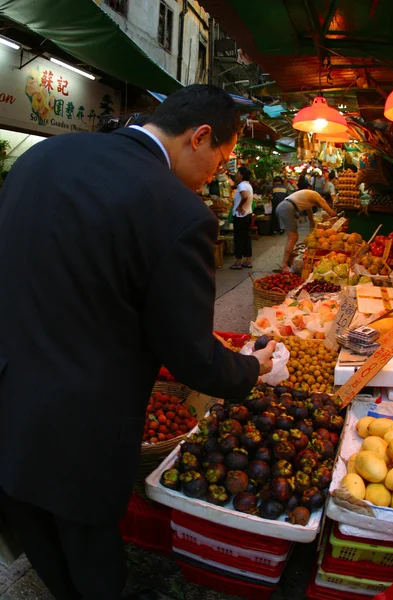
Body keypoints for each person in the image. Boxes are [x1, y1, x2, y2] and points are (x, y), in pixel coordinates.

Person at [0, 84, 276, 600]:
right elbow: (190, 354)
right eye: (219, 163)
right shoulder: (179, 211)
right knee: (93, 563)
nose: (214, 176)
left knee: (39, 541)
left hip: (9, 398)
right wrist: (250, 369)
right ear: (200, 137)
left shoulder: (44, 155)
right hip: (80, 430)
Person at [276, 189, 336, 272]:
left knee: (292, 237)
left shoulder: (310, 197)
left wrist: (312, 223)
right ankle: (284, 265)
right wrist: (337, 217)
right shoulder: (317, 196)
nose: (324, 204)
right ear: (324, 197)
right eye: (327, 202)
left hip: (284, 207)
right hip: (287, 208)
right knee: (293, 237)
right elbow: (330, 212)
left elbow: (309, 211)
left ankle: (287, 260)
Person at [230, 166, 254, 269]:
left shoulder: (241, 186)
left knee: (239, 238)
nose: (236, 174)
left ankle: (238, 261)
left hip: (240, 216)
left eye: (238, 173)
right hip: (247, 214)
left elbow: (245, 196)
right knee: (246, 238)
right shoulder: (248, 185)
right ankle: (247, 260)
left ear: (241, 175)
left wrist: (239, 207)